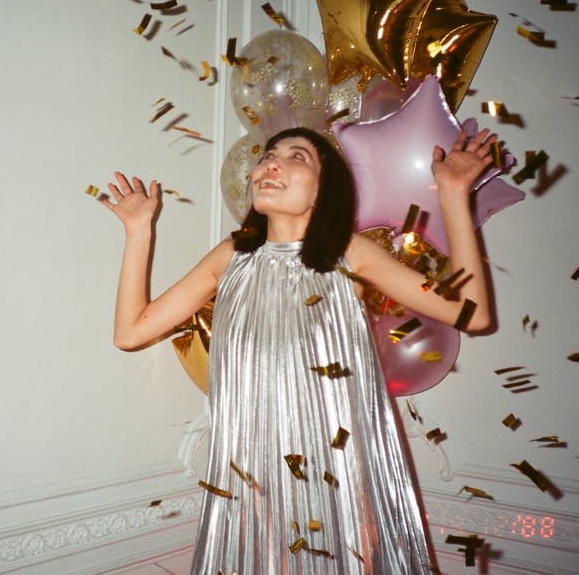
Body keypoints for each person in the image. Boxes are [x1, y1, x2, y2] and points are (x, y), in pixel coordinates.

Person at [100, 126, 496, 573]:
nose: (271, 162)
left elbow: (472, 314)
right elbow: (130, 332)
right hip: (252, 482)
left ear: (322, 192)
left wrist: (454, 192)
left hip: (340, 482)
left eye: (296, 156)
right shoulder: (231, 255)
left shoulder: (350, 253)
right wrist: (138, 230)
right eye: (268, 154)